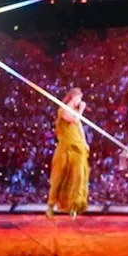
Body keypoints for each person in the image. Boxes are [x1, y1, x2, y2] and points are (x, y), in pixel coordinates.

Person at [46, 87, 91, 219]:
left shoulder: (76, 112)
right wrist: (81, 109)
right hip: (65, 148)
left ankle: (74, 207)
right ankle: (50, 205)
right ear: (73, 97)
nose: (80, 101)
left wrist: (84, 142)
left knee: (78, 177)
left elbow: (79, 127)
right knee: (59, 177)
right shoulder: (63, 110)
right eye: (79, 99)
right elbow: (74, 120)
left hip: (77, 148)